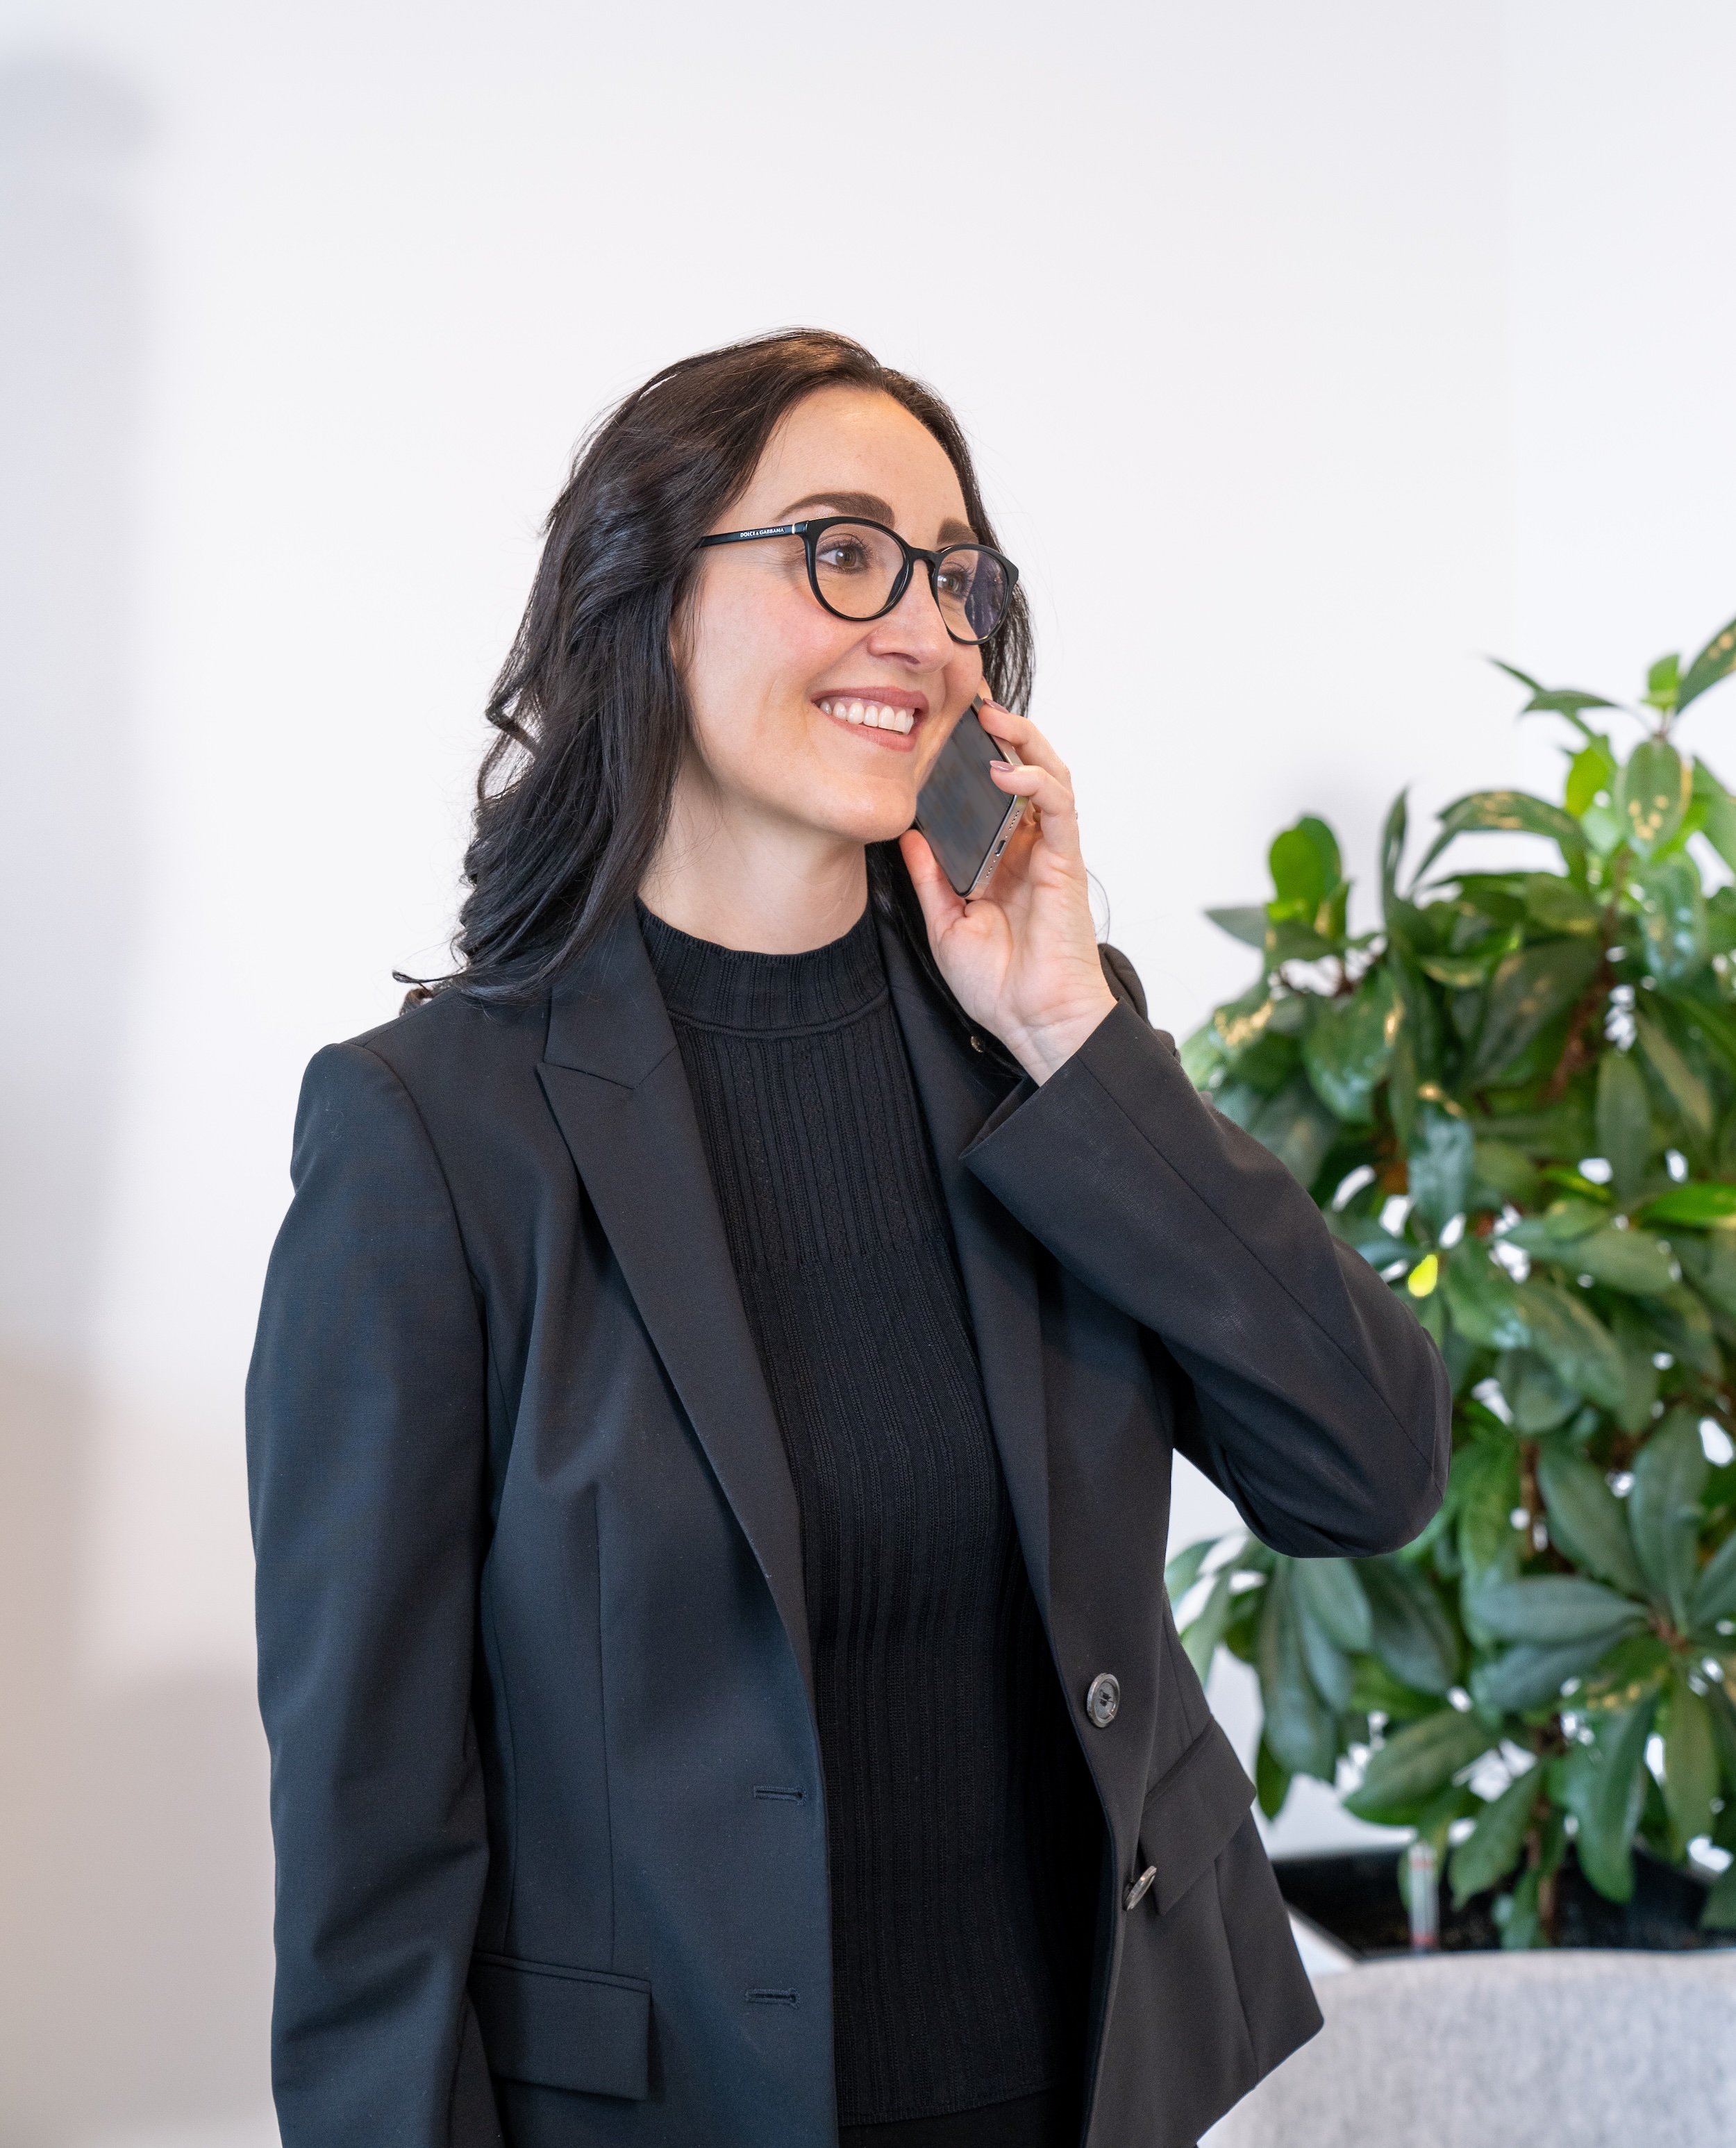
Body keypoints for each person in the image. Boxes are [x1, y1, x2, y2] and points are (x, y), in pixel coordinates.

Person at [247, 329, 1450, 2148]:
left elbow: (1366, 1470)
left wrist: (1070, 1035)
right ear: (645, 603)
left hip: (1092, 2096)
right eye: (840, 550)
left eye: (955, 574)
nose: (919, 623)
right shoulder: (433, 1133)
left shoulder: (1042, 1057)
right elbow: (370, 1858)